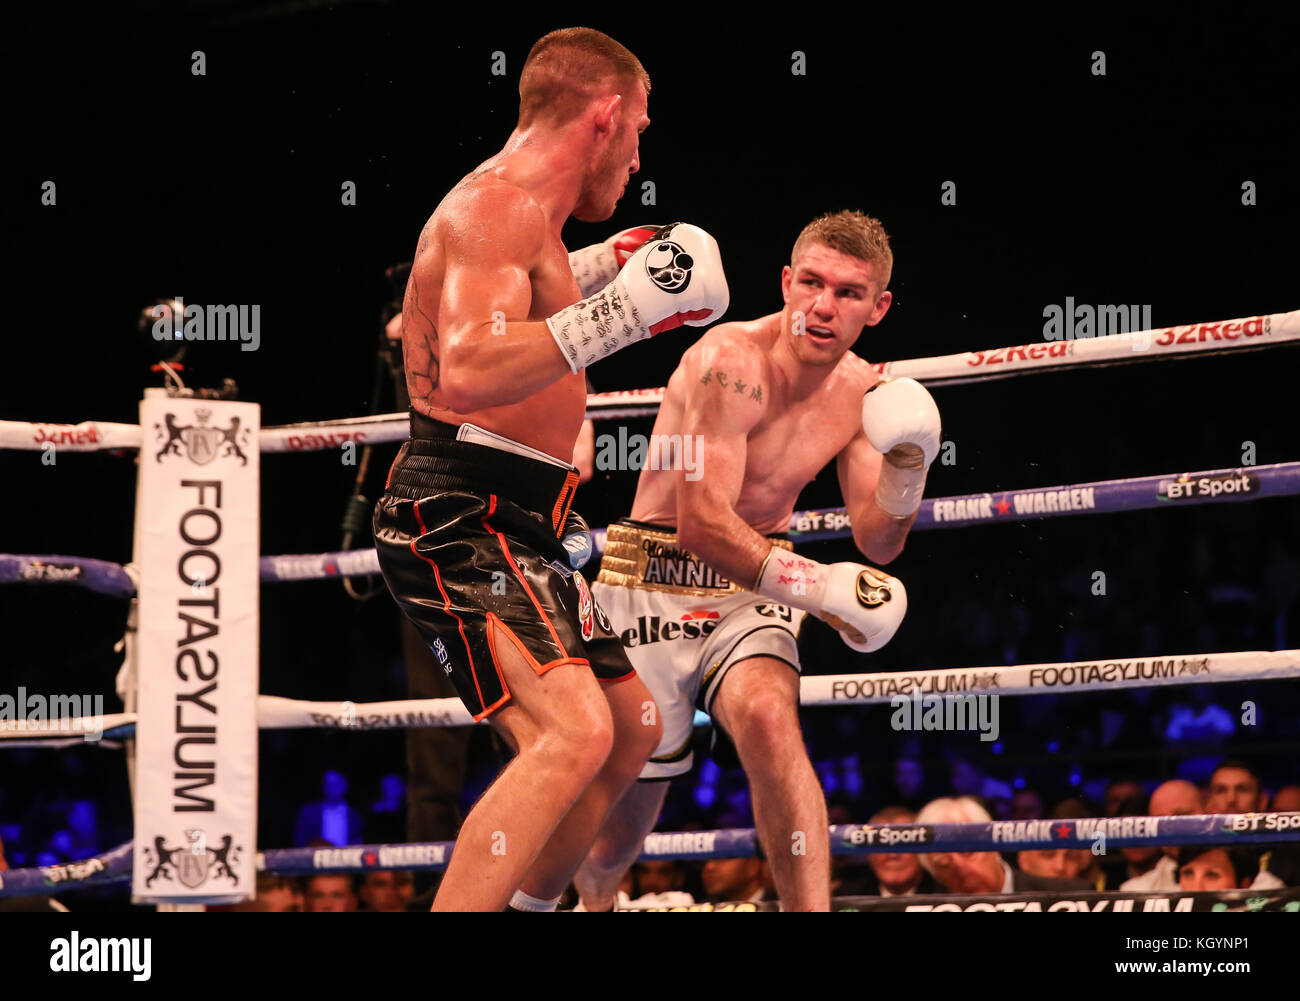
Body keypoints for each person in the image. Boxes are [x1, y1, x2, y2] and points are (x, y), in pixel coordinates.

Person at [372, 27, 729, 912]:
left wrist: (601, 268)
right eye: (641, 129)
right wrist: (623, 307)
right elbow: (468, 364)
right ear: (606, 116)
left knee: (630, 729)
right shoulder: (495, 205)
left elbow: (484, 305)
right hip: (458, 510)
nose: (641, 152)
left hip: (519, 516)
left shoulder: (522, 222)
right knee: (573, 732)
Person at [576, 210, 933, 912]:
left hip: (752, 590)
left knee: (770, 717)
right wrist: (819, 586)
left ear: (879, 306)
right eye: (811, 283)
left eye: (849, 293)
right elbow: (703, 523)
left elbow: (879, 540)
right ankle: (592, 900)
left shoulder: (864, 393)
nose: (823, 306)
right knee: (620, 830)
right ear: (785, 281)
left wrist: (909, 467)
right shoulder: (729, 361)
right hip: (647, 576)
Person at [916, 797, 1092, 894]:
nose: (960, 867)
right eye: (944, 862)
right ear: (934, 874)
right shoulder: (923, 908)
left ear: (994, 847)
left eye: (967, 851)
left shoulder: (1072, 895)